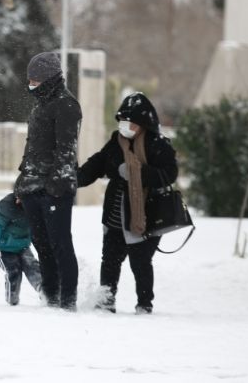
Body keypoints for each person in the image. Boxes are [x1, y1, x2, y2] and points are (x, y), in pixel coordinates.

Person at [77, 93, 178, 314]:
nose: (125, 126)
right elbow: (98, 164)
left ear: (143, 124)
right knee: (110, 260)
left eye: (130, 122)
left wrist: (138, 172)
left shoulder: (158, 145)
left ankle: (144, 304)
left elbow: (169, 173)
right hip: (115, 214)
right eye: (123, 121)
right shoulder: (116, 141)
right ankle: (106, 300)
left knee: (140, 261)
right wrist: (75, 178)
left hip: (145, 215)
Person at [14, 51, 82, 310]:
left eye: (35, 80)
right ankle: (51, 297)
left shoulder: (66, 105)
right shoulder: (40, 105)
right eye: (29, 79)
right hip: (32, 187)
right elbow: (32, 149)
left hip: (55, 189)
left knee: (60, 245)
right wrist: (22, 184)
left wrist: (55, 187)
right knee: (42, 246)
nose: (31, 84)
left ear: (49, 79)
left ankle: (68, 301)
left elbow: (66, 150)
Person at [0, 193, 43, 306]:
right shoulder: (6, 205)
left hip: (23, 245)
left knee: (32, 265)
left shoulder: (34, 205)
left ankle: (43, 290)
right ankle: (12, 299)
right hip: (3, 248)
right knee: (13, 270)